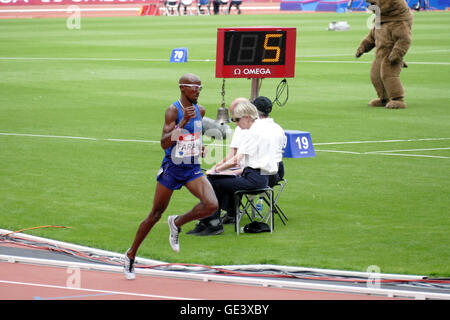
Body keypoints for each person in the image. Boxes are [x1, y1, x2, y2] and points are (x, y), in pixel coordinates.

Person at [123, 73, 218, 280]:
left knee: (211, 205)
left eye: (201, 88)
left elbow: (195, 136)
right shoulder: (173, 111)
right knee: (155, 214)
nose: (198, 91)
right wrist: (182, 122)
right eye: (194, 87)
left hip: (191, 167)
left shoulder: (201, 110)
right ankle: (130, 255)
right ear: (183, 88)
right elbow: (165, 143)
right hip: (173, 168)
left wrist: (198, 147)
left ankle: (176, 223)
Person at [189, 100, 281, 236]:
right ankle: (211, 220)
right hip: (259, 177)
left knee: (212, 181)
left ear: (247, 117)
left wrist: (216, 170)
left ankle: (212, 222)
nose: (236, 124)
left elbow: (236, 159)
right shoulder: (262, 130)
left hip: (254, 180)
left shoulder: (253, 133)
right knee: (217, 180)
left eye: (237, 120)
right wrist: (221, 170)